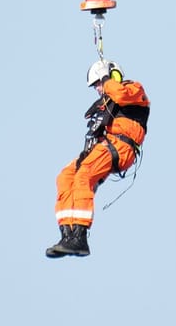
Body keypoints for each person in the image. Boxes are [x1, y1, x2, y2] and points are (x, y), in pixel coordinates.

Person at [47, 59, 152, 258]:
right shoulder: (105, 103)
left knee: (83, 177)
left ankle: (80, 236)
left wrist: (107, 80)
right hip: (102, 146)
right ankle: (68, 234)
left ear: (113, 76)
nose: (98, 88)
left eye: (98, 83)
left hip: (121, 146)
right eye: (95, 85)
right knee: (65, 177)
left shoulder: (133, 89)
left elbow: (121, 94)